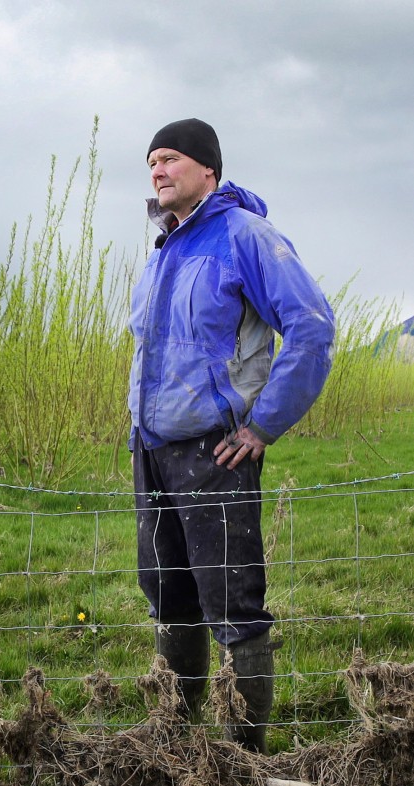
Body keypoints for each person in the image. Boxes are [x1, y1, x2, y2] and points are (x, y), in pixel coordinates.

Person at [128, 118, 335, 754]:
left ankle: (240, 763)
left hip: (215, 451)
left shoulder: (246, 236)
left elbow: (312, 327)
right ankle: (181, 741)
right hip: (154, 452)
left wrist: (263, 424)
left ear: (208, 170)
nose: (157, 171)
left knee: (232, 604)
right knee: (168, 594)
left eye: (169, 159)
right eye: (151, 163)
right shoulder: (165, 251)